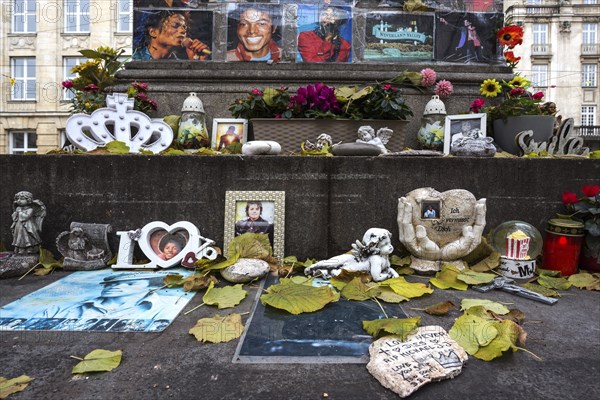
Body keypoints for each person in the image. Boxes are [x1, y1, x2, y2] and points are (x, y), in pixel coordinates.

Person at [39, 273, 173, 322]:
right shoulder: (61, 309)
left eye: (131, 283)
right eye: (112, 283)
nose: (116, 286)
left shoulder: (164, 307)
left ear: (150, 287)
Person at [133, 10, 210, 60]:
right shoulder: (133, 58)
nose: (183, 31)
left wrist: (196, 63)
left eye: (184, 27)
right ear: (153, 32)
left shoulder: (180, 65)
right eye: (175, 25)